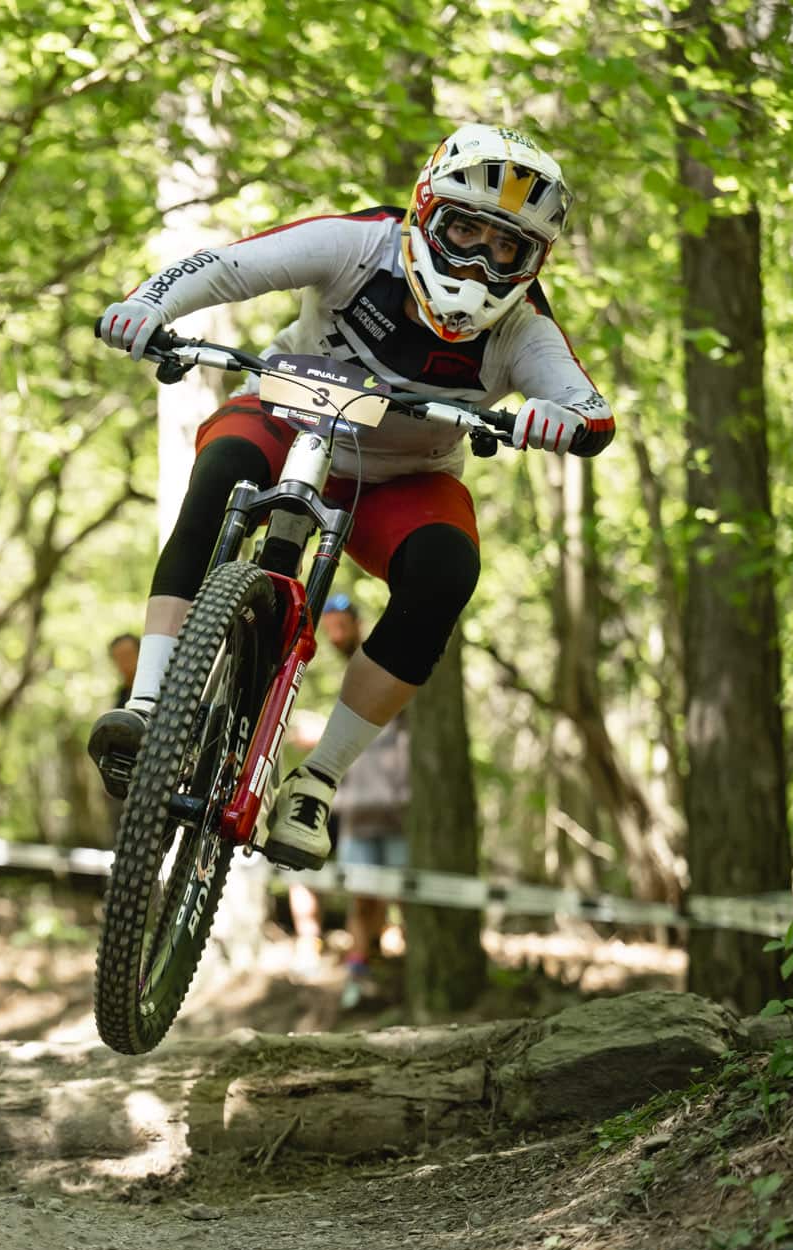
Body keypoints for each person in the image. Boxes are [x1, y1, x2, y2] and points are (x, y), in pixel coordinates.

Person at [87, 123, 613, 870]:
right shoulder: (358, 244)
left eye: (506, 247)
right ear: (424, 213)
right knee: (221, 469)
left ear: (532, 262)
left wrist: (559, 420)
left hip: (403, 476)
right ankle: (145, 704)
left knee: (446, 572)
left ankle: (318, 780)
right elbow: (229, 266)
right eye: (463, 230)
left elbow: (590, 409)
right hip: (286, 412)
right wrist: (149, 304)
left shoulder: (524, 330)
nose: (478, 259)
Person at [314, 595, 411, 1007]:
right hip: (355, 808)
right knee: (362, 895)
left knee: (407, 892)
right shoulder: (347, 675)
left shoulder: (387, 662)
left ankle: (412, 972)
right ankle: (358, 971)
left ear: (356, 623)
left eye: (341, 625)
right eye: (329, 628)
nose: (335, 635)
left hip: (396, 807)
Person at [108, 633, 140, 710]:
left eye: (128, 655)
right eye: (119, 658)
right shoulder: (121, 697)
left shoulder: (154, 690)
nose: (125, 663)